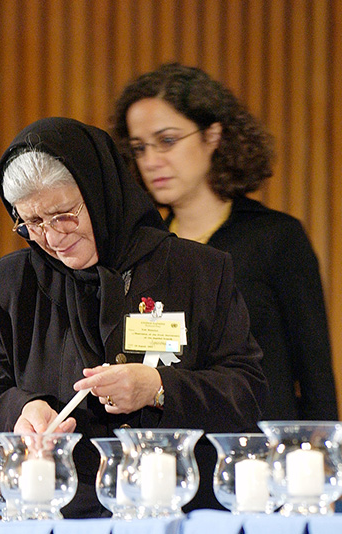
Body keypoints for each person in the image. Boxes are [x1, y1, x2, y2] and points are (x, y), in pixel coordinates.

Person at [0, 117, 267, 517]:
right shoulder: (5, 287)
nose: (53, 238)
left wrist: (158, 389)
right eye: (33, 223)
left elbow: (247, 391)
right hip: (60, 512)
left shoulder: (198, 272)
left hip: (180, 512)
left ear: (100, 192)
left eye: (64, 214)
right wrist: (21, 411)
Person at [110, 63, 338, 422]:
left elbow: (315, 376)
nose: (152, 161)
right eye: (139, 148)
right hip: (167, 456)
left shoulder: (275, 237)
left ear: (212, 135)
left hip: (257, 456)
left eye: (167, 141)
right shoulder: (139, 250)